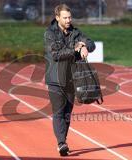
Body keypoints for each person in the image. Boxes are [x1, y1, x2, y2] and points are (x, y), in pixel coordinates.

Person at [44, 4, 95, 156]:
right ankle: (61, 143)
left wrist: (84, 45)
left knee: (67, 113)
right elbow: (56, 54)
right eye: (65, 18)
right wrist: (75, 48)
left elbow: (91, 44)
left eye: (69, 17)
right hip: (55, 79)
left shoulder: (76, 32)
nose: (68, 20)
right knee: (58, 112)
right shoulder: (49, 33)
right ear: (57, 17)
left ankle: (62, 142)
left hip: (73, 79)